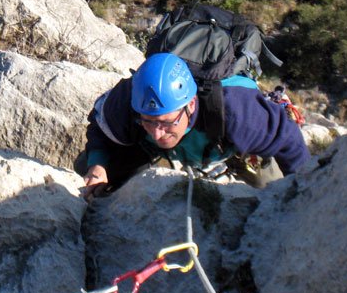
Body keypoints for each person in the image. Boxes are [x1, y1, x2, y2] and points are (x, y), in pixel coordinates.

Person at [81, 53, 310, 202]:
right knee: (88, 169)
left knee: (272, 190)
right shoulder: (129, 102)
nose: (158, 132)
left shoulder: (239, 115)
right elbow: (100, 127)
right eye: (148, 121)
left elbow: (288, 138)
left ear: (190, 104)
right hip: (171, 149)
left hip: (231, 145)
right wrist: (97, 165)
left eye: (166, 121)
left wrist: (304, 193)